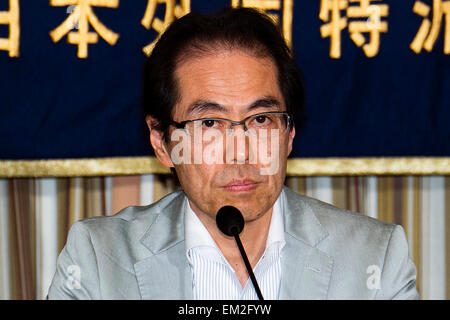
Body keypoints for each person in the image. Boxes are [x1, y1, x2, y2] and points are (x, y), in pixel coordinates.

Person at [48, 8, 419, 300]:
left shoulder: (375, 259)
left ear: (289, 135)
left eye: (260, 119)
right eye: (209, 123)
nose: (240, 153)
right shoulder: (98, 260)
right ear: (162, 142)